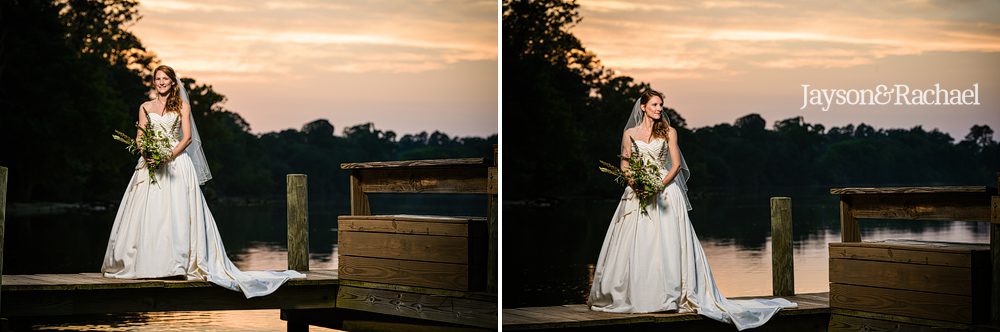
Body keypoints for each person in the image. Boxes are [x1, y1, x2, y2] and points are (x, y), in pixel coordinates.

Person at [587, 90, 795, 330]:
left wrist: (656, 186)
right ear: (643, 107)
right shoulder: (629, 134)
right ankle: (635, 295)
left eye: (661, 105)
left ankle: (670, 295)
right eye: (654, 104)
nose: (659, 108)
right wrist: (636, 183)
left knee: (667, 243)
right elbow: (625, 162)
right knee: (638, 243)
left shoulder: (668, 132)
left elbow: (675, 166)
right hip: (638, 192)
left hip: (664, 190)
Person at [102, 65, 304, 298]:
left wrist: (167, 156)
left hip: (176, 162)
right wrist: (147, 154)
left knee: (177, 213)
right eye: (157, 79)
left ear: (172, 82)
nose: (161, 82)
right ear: (153, 82)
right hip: (151, 164)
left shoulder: (182, 106)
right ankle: (146, 264)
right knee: (151, 213)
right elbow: (140, 136)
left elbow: (187, 138)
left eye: (165, 78)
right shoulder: (145, 107)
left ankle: (178, 265)